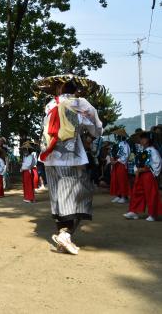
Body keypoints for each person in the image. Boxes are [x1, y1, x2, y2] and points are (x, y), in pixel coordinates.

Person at [39, 79, 103, 255]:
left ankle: (63, 235)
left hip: (49, 156)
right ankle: (65, 235)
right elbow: (96, 127)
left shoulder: (50, 104)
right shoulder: (78, 102)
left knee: (58, 197)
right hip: (70, 156)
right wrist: (92, 129)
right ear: (76, 89)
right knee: (79, 194)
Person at [124, 132, 162, 221]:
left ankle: (153, 214)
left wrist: (147, 169)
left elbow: (158, 162)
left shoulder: (153, 150)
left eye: (143, 138)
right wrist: (136, 169)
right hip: (140, 174)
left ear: (149, 140)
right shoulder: (141, 151)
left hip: (148, 174)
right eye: (141, 138)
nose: (141, 140)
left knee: (151, 194)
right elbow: (136, 162)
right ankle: (133, 211)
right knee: (136, 192)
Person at [110, 130, 130, 204]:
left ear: (122, 137)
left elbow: (126, 155)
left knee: (122, 180)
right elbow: (112, 152)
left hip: (121, 163)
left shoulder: (125, 144)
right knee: (116, 180)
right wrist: (112, 159)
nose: (116, 137)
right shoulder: (117, 144)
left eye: (118, 136)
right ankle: (118, 195)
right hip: (116, 163)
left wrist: (117, 160)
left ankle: (124, 196)